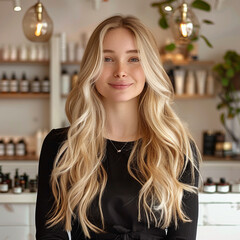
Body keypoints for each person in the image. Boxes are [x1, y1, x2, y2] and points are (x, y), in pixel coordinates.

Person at [36, 15, 201, 240]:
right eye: (107, 59)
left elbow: (183, 236)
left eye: (134, 59)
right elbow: (50, 233)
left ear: (149, 67)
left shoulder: (176, 147)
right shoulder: (61, 145)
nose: (121, 71)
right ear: (91, 67)